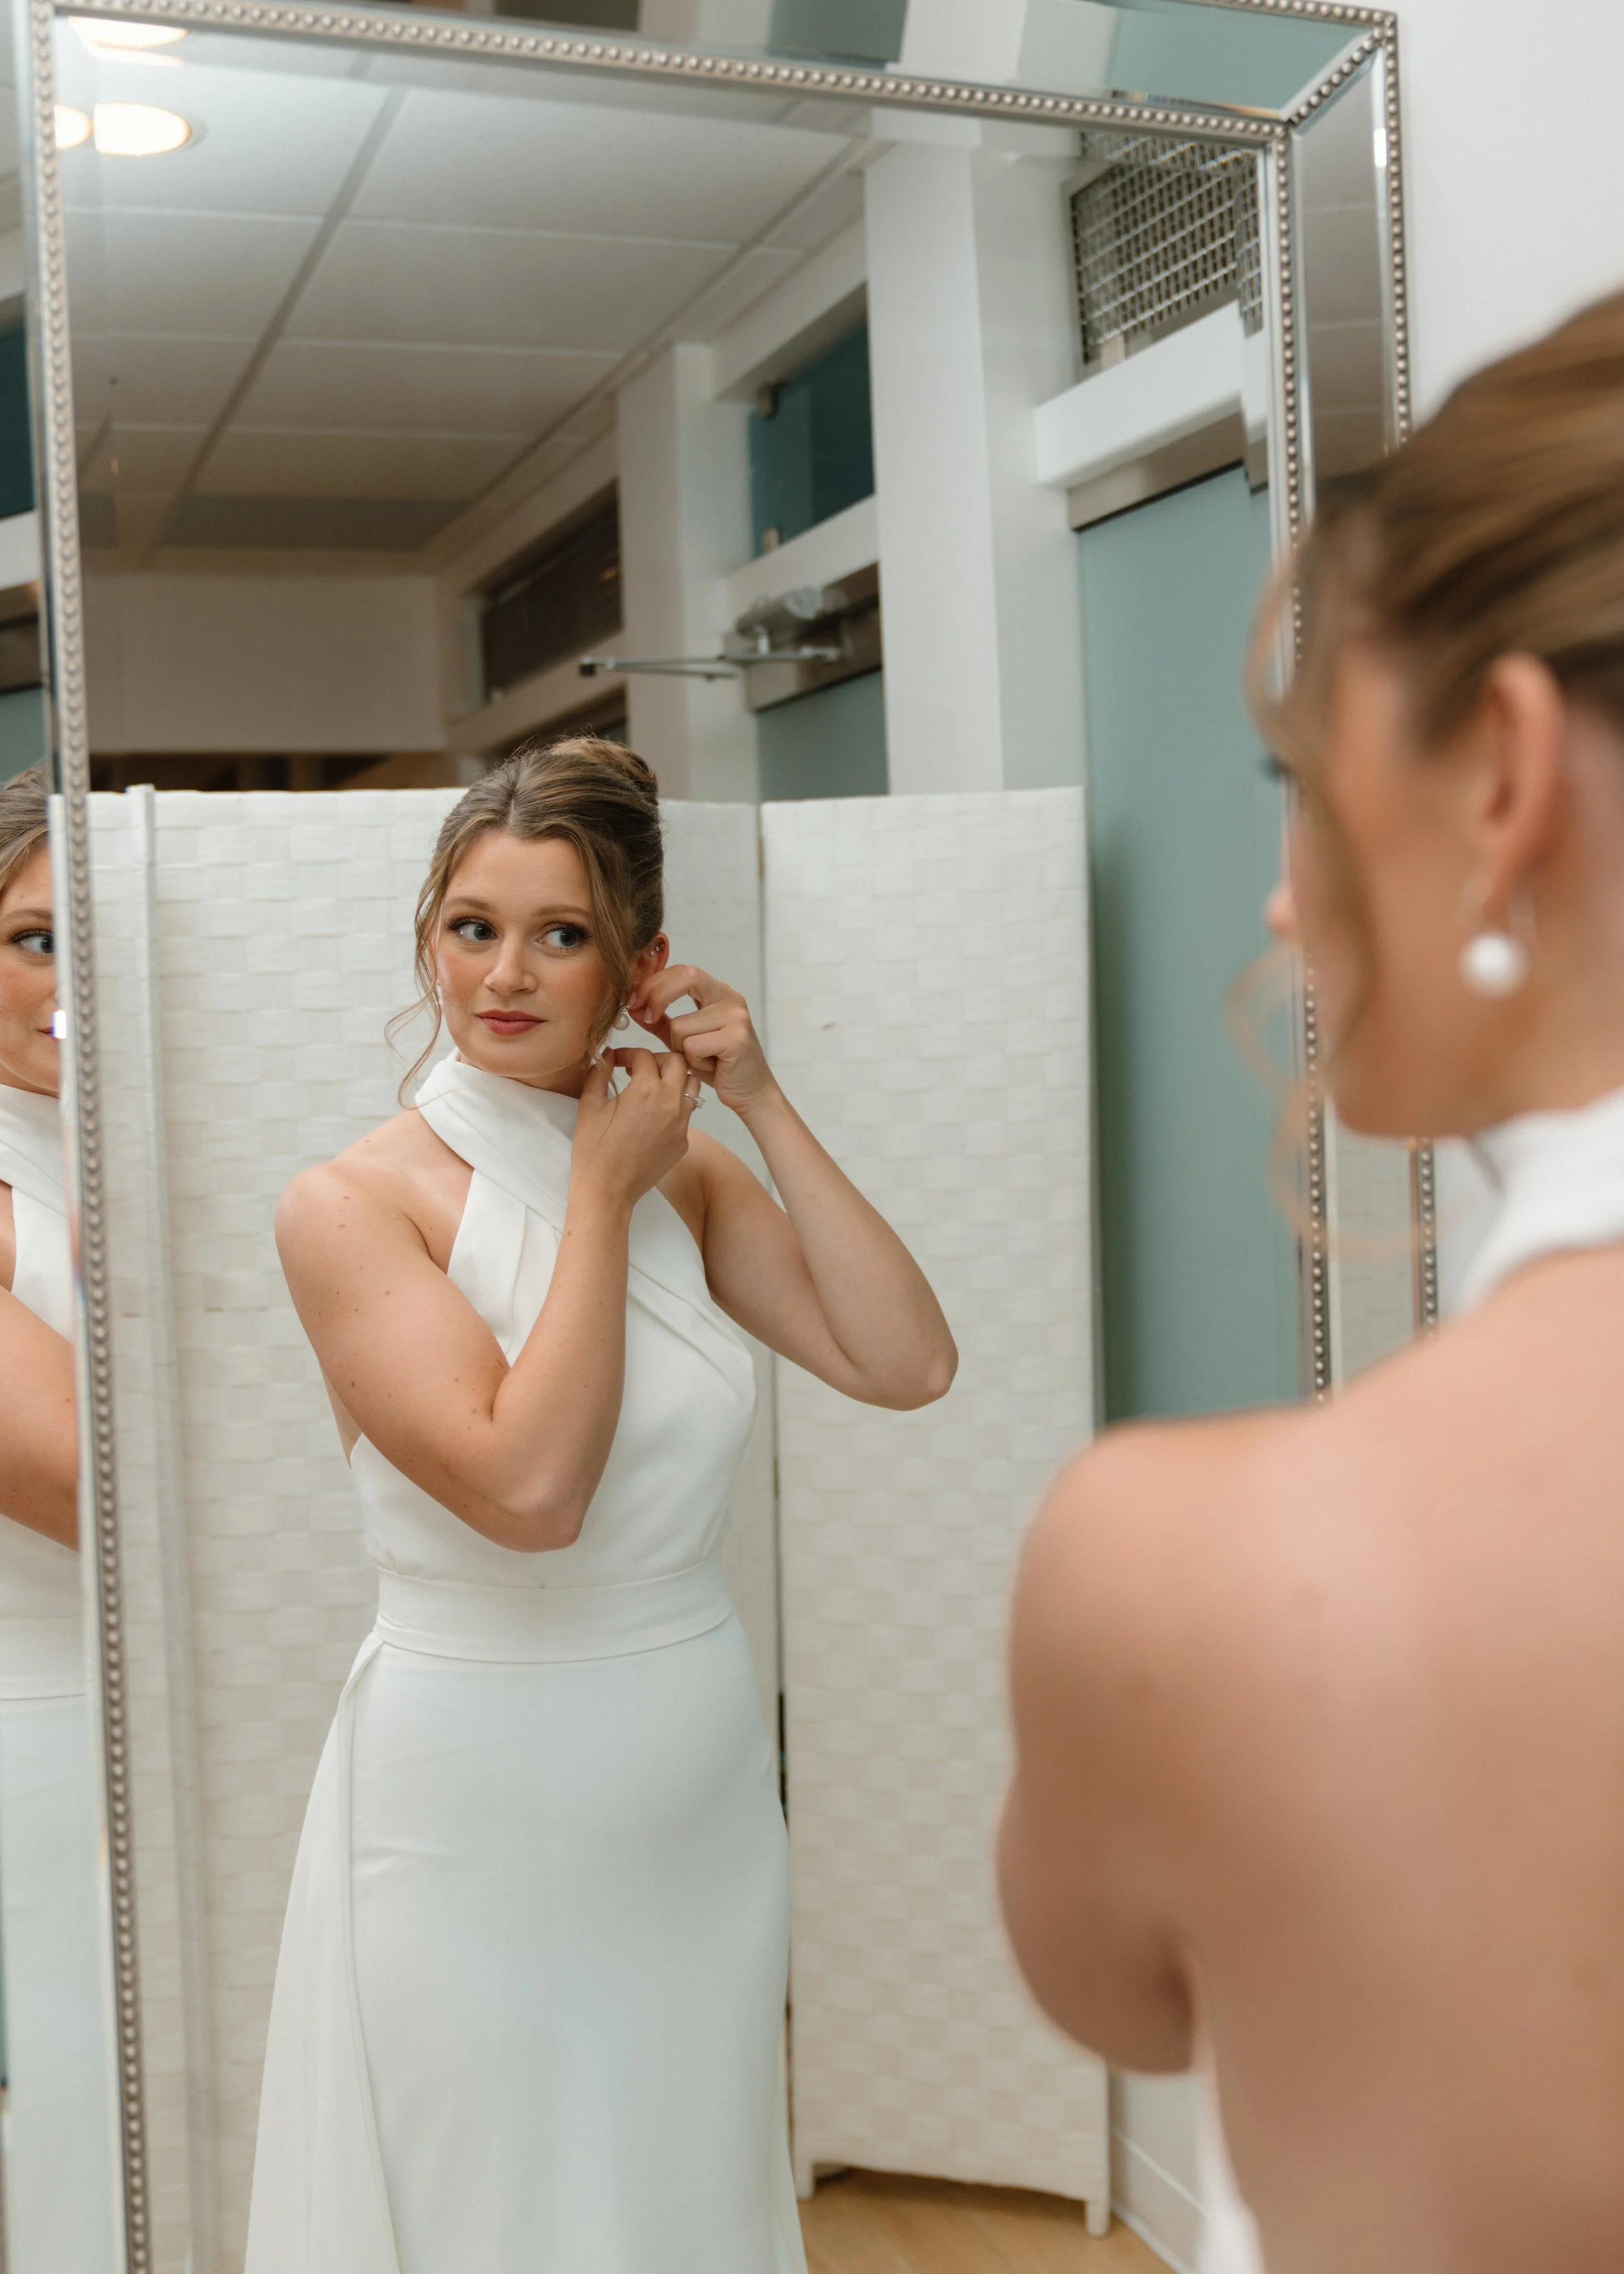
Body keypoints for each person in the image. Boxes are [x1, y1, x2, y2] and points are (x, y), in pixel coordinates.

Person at [998, 289, 1624, 2274]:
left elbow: (1111, 1989)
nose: (1282, 891)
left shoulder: (1190, 1567)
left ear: (1503, 772)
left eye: (1297, 766)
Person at [246, 736, 956, 2274]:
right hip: (469, 1794)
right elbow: (529, 1489)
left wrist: (756, 1099)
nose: (505, 972)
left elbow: (905, 1364)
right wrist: (594, 1193)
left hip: (691, 1784)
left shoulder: (688, 1177)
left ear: (634, 961)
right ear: (427, 939)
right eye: (470, 925)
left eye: (559, 931)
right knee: (486, 2195)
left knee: (679, 2184)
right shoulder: (354, 1203)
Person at [0, 764, 117, 2272]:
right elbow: (104, 1489)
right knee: (89, 2111)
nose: (68, 981)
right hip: (40, 1723)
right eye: (33, 938)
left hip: (232, 1701)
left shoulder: (182, 1150)